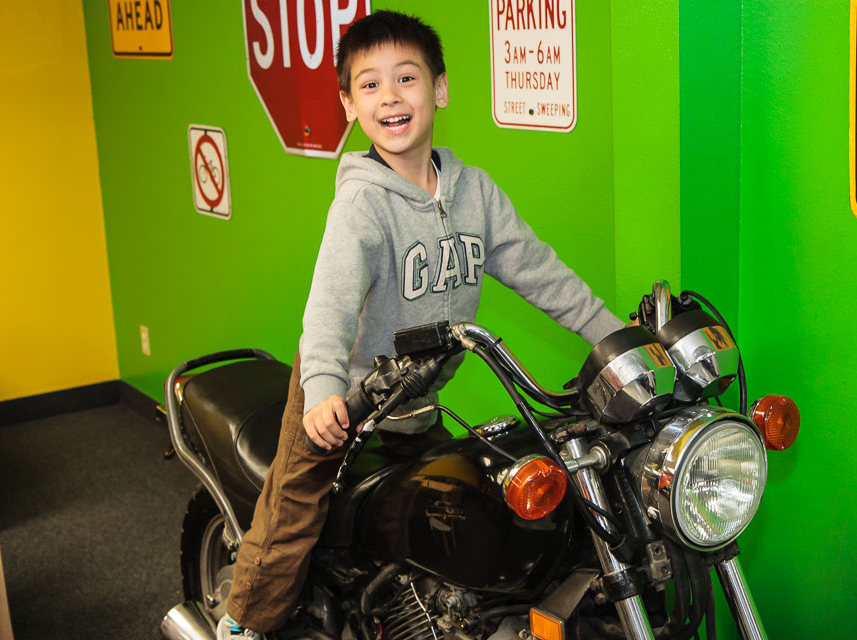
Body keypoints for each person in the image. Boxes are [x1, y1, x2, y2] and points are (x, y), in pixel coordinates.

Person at [217, 10, 624, 639]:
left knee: (437, 505)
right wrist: (323, 387)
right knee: (293, 509)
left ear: (440, 89)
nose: (390, 96)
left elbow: (542, 273)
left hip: (418, 393)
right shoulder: (361, 203)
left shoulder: (475, 193)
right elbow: (328, 306)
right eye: (370, 84)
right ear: (349, 105)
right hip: (345, 388)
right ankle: (241, 621)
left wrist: (615, 340)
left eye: (406, 78)